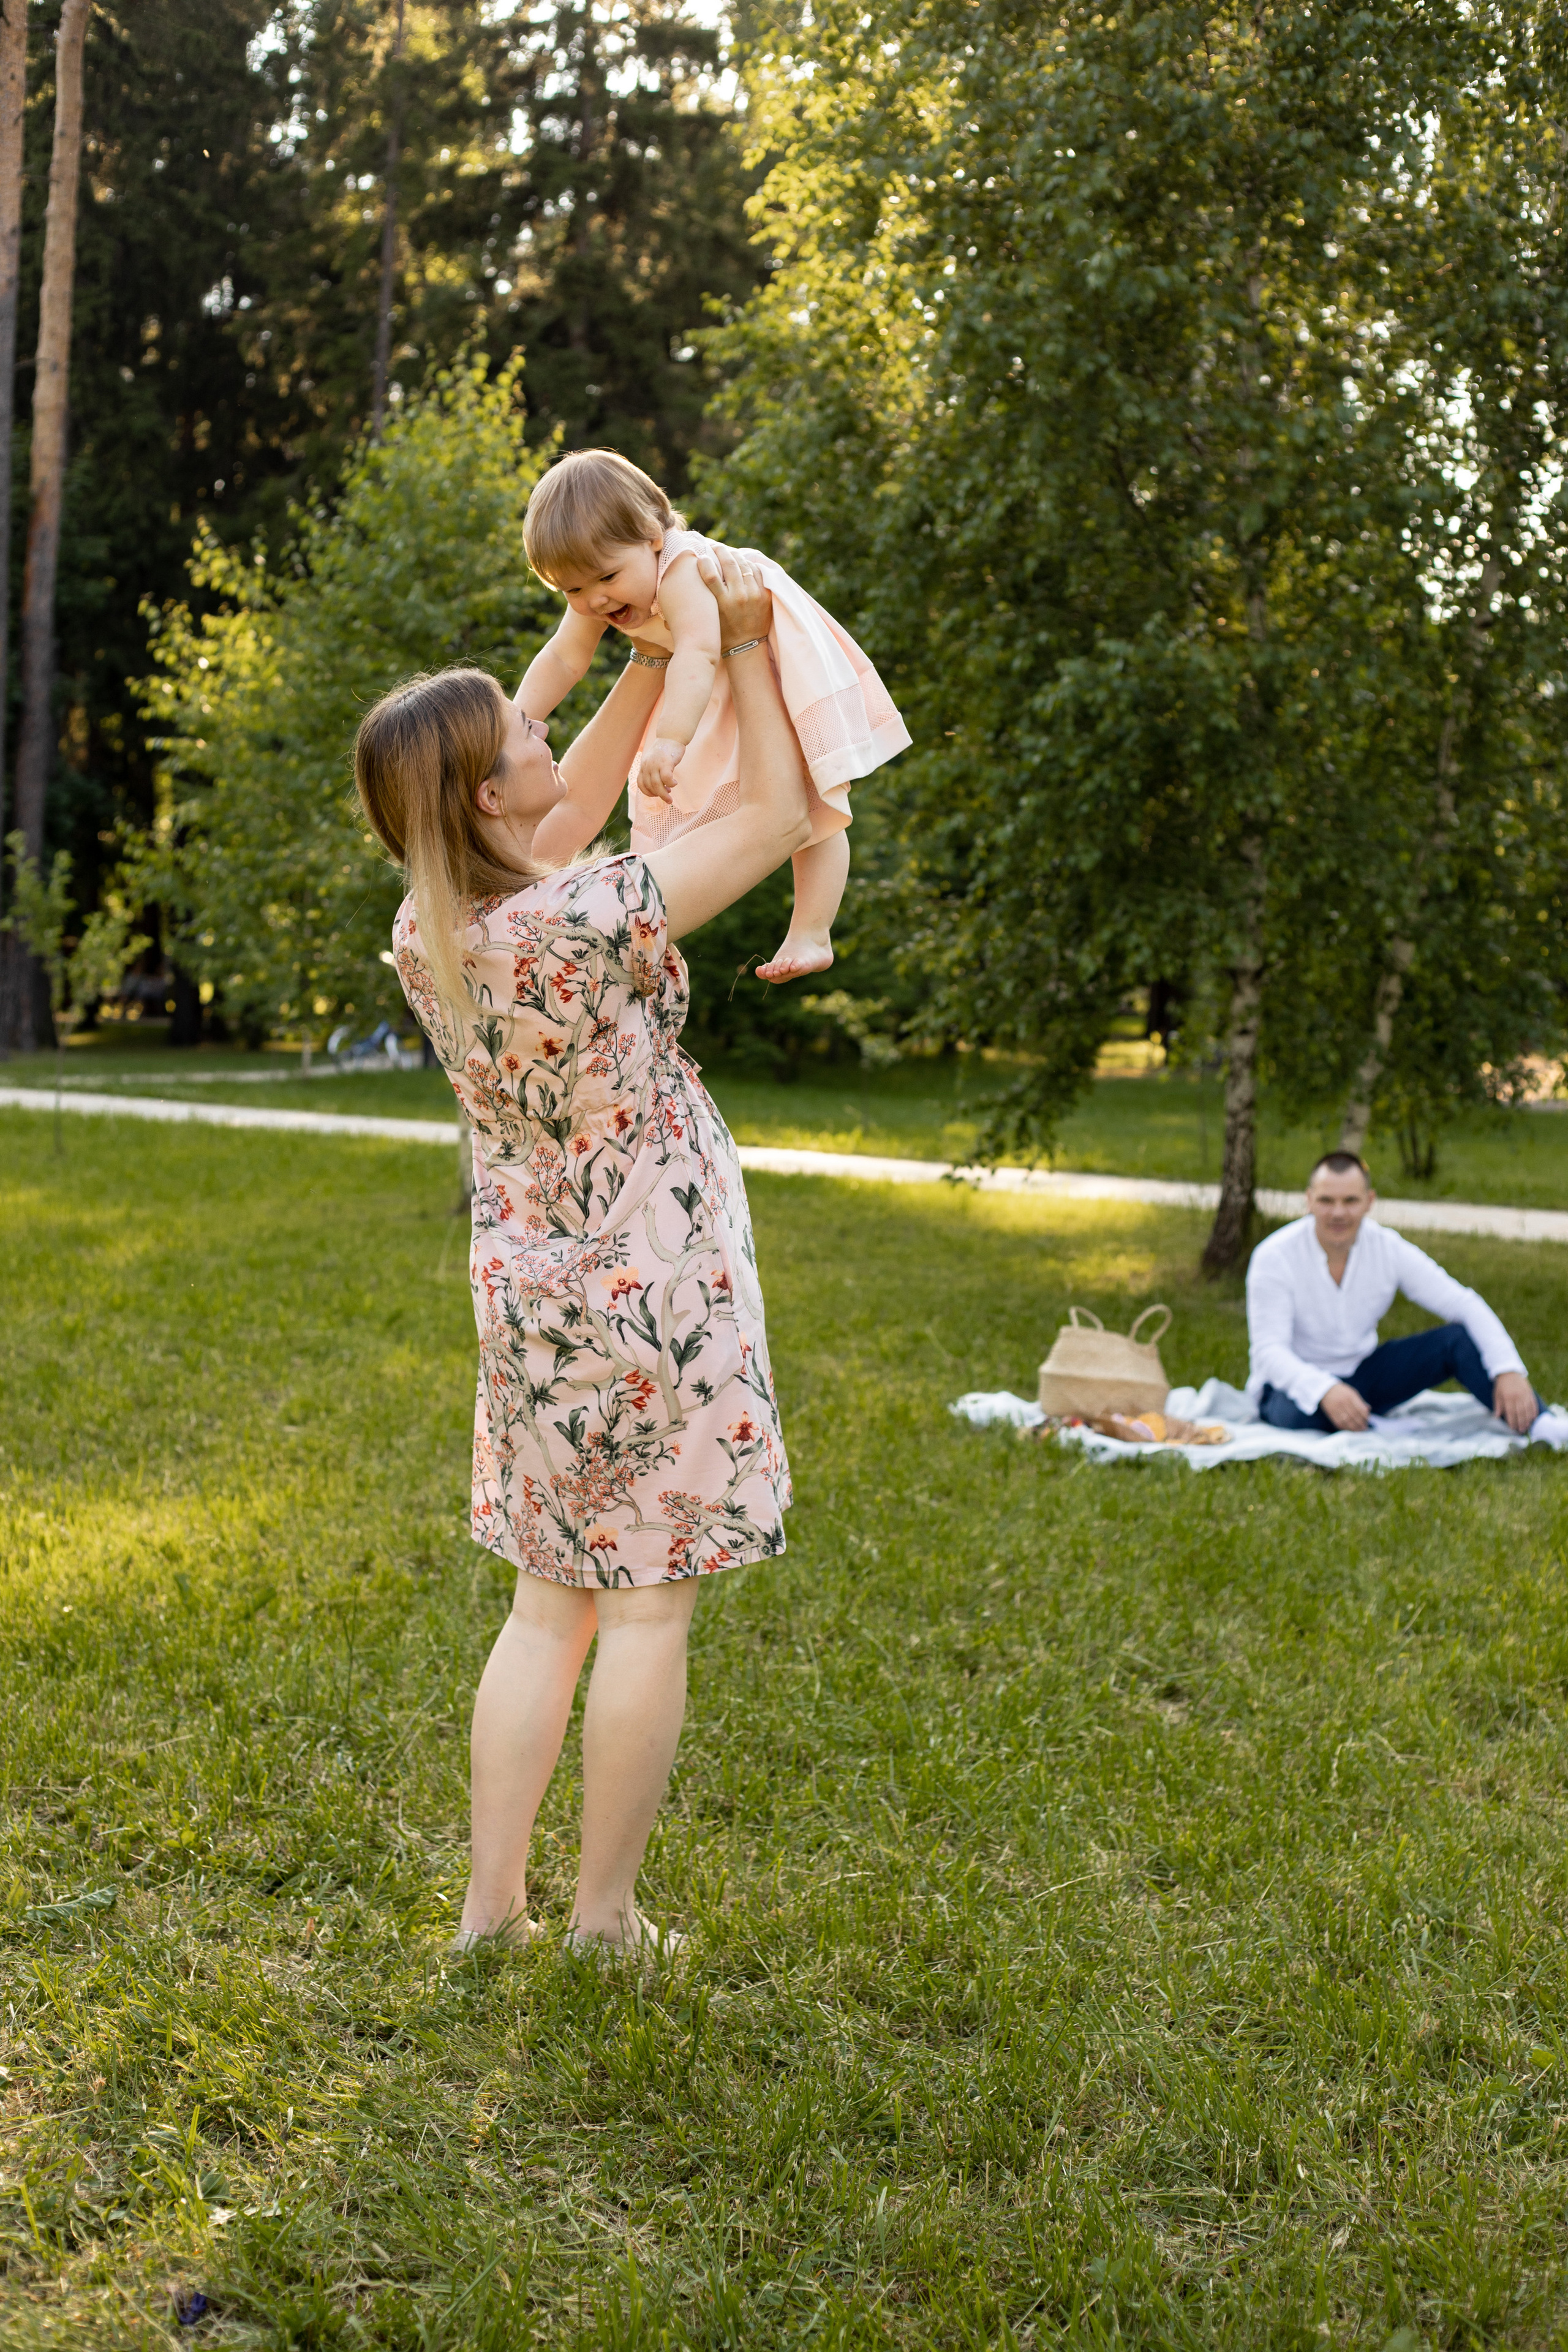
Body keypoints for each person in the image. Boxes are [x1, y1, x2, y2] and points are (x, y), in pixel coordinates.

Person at [354, 550, 811, 1957]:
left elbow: (561, 797)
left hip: (532, 1292)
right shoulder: (583, 915)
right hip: (654, 1281)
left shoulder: (431, 929)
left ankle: (491, 1908)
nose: (544, 727)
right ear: (488, 795)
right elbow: (777, 814)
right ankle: (602, 1920)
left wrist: (642, 656)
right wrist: (740, 644)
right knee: (648, 1608)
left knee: (548, 1605)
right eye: (524, 732)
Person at [512, 447, 911, 985]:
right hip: (711, 681)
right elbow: (564, 657)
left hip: (770, 663)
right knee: (728, 807)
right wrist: (513, 721)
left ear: (652, 535)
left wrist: (669, 742)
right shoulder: (606, 582)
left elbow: (698, 652)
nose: (596, 600)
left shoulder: (682, 570)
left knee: (816, 799)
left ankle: (814, 929)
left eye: (607, 577)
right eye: (573, 589)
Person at [1246, 1150, 1556, 1438]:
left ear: (1369, 1201)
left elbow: (1461, 1302)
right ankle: (1371, 1423)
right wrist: (1325, 1390)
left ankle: (1540, 1424)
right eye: (1326, 1201)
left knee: (1457, 1340)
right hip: (1292, 1387)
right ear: (1309, 1200)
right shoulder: (1274, 1256)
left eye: (1350, 1201)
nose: (1338, 1213)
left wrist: (1508, 1369)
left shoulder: (1387, 1247)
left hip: (1363, 1373)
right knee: (1296, 1417)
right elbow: (1269, 1351)